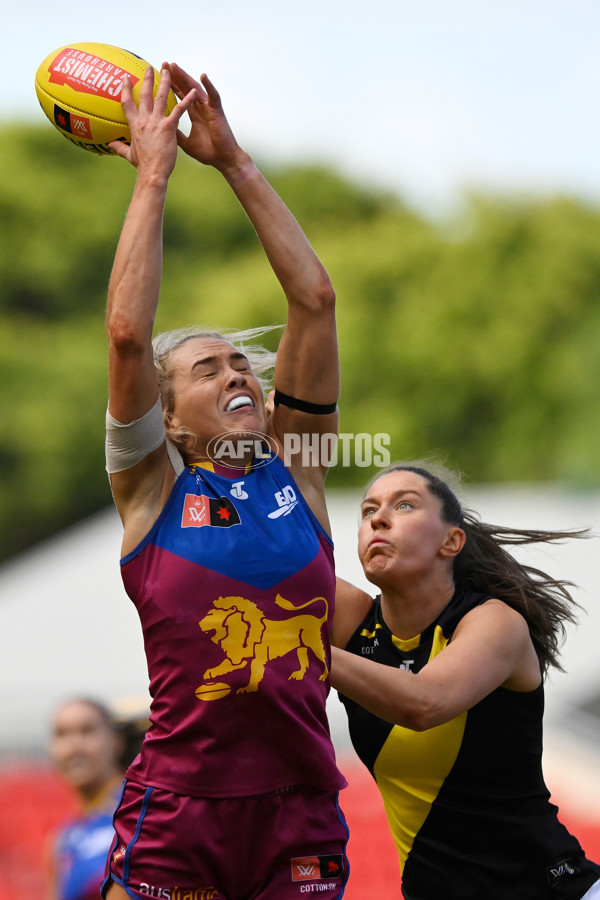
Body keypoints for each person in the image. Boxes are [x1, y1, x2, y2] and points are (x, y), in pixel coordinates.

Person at [101, 61, 348, 900]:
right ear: (170, 422)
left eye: (242, 361)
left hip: (300, 818)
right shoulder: (151, 496)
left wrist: (235, 163)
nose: (235, 371)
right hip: (178, 819)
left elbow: (314, 299)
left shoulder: (301, 474)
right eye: (208, 370)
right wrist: (155, 175)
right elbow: (131, 337)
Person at [331, 462, 600, 900]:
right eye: (367, 510)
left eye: (404, 505)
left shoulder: (494, 622)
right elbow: (263, 559)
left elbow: (423, 704)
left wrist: (303, 650)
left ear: (451, 540)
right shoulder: (353, 622)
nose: (378, 518)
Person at [48, 698, 146, 900]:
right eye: (61, 734)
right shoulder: (62, 842)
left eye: (87, 731)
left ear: (116, 741)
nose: (73, 747)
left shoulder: (144, 812)